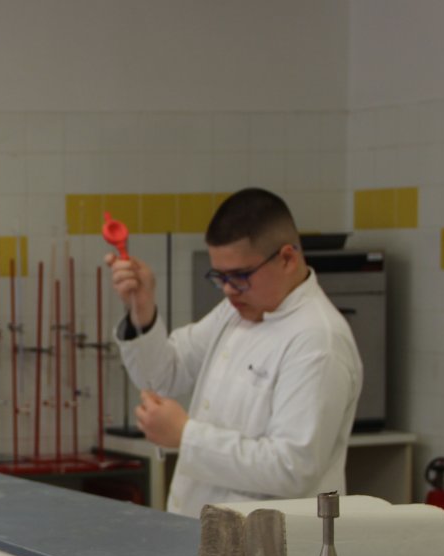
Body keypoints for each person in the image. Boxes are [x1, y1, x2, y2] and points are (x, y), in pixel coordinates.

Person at [106, 187, 361, 517]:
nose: (228, 289)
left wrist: (186, 435)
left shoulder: (317, 339)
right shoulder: (236, 310)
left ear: (287, 258)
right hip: (205, 530)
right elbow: (163, 376)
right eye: (220, 276)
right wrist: (142, 309)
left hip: (271, 543)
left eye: (240, 275)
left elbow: (293, 468)